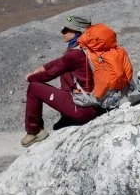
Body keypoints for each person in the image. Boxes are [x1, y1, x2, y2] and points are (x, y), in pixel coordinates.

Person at [21, 15, 103, 147]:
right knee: (66, 77)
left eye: (66, 30)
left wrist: (30, 78)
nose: (62, 32)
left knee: (34, 87)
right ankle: (67, 117)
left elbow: (50, 75)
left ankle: (34, 131)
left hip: (82, 109)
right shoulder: (86, 48)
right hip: (94, 104)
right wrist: (42, 67)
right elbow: (62, 61)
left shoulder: (74, 54)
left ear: (77, 32)